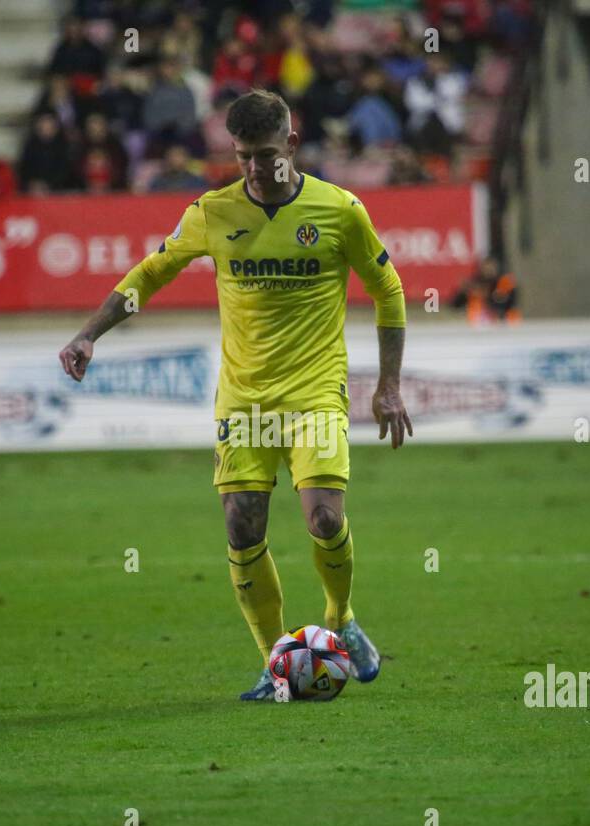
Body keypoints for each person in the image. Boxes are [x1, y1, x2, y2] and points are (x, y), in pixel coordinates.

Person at [59, 89, 412, 701]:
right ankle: (275, 665)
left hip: (314, 392)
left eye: (266, 154)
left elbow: (390, 291)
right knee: (242, 530)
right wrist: (90, 334)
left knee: (325, 517)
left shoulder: (340, 210)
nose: (254, 167)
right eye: (244, 156)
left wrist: (388, 385)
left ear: (293, 145)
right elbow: (151, 273)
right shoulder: (212, 213)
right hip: (243, 401)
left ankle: (340, 617)